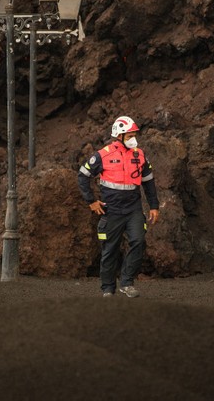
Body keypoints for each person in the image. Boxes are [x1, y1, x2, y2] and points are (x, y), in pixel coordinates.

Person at [78, 116, 160, 298]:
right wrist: (91, 201)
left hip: (133, 209)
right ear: (119, 135)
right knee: (110, 250)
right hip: (112, 210)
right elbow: (83, 175)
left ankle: (127, 283)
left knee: (138, 242)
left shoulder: (140, 155)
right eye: (130, 135)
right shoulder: (103, 154)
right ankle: (107, 288)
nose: (133, 138)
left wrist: (154, 205)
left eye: (134, 135)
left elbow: (149, 182)